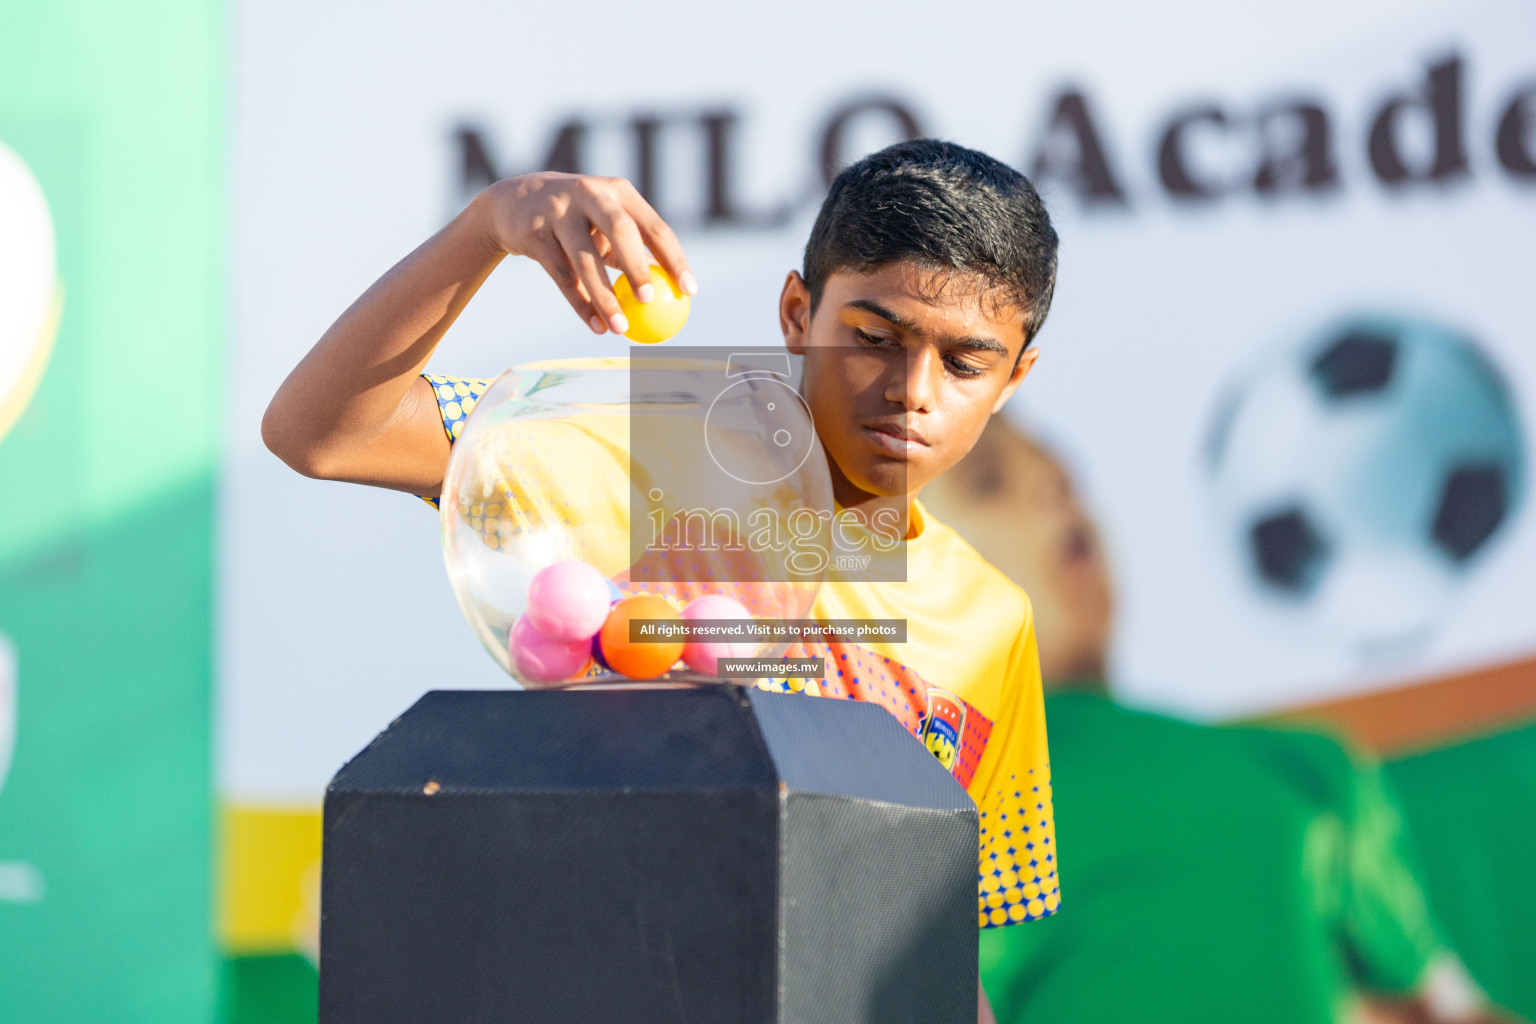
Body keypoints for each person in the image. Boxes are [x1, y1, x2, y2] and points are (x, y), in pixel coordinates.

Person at [263, 140, 1062, 1021]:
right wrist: (490, 223)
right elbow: (324, 434)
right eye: (874, 338)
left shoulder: (990, 619)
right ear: (798, 313)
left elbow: (937, 949)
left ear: (1015, 375)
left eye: (965, 363)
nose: (913, 391)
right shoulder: (653, 452)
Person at [921, 414, 1524, 1024]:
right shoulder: (925, 831)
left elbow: (1443, 1010)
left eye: (1060, 471)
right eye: (988, 482)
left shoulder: (1299, 765)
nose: (1053, 487)